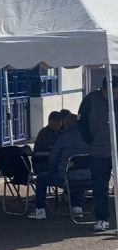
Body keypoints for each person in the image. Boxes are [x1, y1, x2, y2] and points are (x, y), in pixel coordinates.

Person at [29, 113, 90, 220]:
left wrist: (54, 169)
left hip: (65, 177)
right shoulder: (88, 137)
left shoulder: (64, 137)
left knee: (42, 178)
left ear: (66, 124)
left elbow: (53, 156)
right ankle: (77, 207)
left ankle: (40, 210)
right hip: (88, 177)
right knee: (79, 175)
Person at [78, 76, 118, 232]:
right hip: (98, 150)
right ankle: (102, 218)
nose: (115, 96)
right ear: (103, 90)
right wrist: (91, 141)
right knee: (100, 186)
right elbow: (81, 123)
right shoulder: (90, 100)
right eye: (113, 93)